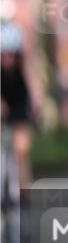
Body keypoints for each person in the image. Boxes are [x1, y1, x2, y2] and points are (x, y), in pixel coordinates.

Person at [1, 14, 35, 202]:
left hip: (19, 106)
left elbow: (33, 86)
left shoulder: (23, 67)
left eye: (13, 54)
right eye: (5, 55)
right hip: (3, 105)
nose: (9, 59)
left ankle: (24, 192)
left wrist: (36, 104)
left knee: (22, 150)